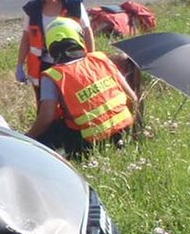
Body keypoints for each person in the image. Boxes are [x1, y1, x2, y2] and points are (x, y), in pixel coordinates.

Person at [25, 17, 138, 158]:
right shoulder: (100, 59)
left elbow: (46, 117)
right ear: (78, 38)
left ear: (49, 45)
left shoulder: (54, 75)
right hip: (124, 132)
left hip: (90, 142)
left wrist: (28, 137)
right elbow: (132, 98)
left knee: (45, 136)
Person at [16, 0, 94, 99]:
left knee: (72, 100)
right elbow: (26, 39)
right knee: (45, 103)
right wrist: (19, 65)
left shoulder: (74, 5)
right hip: (43, 66)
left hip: (72, 62)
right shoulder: (32, 9)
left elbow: (87, 32)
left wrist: (91, 59)